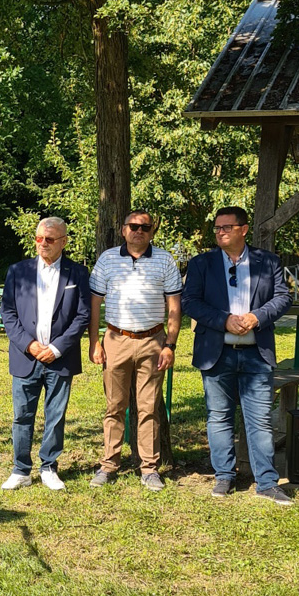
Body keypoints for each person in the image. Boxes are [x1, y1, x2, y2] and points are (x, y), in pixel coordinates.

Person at [182, 207, 292, 504]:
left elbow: (283, 297)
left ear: (244, 230)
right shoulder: (202, 263)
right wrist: (224, 320)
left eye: (226, 227)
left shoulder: (267, 261)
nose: (220, 232)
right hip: (216, 353)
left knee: (260, 420)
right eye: (217, 228)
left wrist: (257, 317)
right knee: (219, 417)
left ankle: (267, 482)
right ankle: (224, 477)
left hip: (257, 353)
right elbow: (189, 301)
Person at [87, 210, 183, 491]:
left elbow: (174, 306)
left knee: (149, 408)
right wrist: (94, 342)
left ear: (152, 231)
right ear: (123, 230)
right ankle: (108, 465)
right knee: (115, 407)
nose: (139, 231)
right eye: (133, 226)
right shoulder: (107, 259)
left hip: (153, 341)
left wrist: (170, 345)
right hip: (115, 339)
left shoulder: (165, 259)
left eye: (145, 227)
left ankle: (149, 469)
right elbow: (95, 304)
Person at [0, 217, 91, 491]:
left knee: (56, 415)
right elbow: (8, 312)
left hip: (60, 357)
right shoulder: (18, 271)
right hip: (26, 356)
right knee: (22, 415)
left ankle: (49, 467)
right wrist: (29, 345)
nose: (43, 244)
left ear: (64, 241)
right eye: (39, 238)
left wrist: (56, 348)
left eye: (49, 239)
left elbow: (83, 315)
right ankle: (21, 470)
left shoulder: (77, 273)